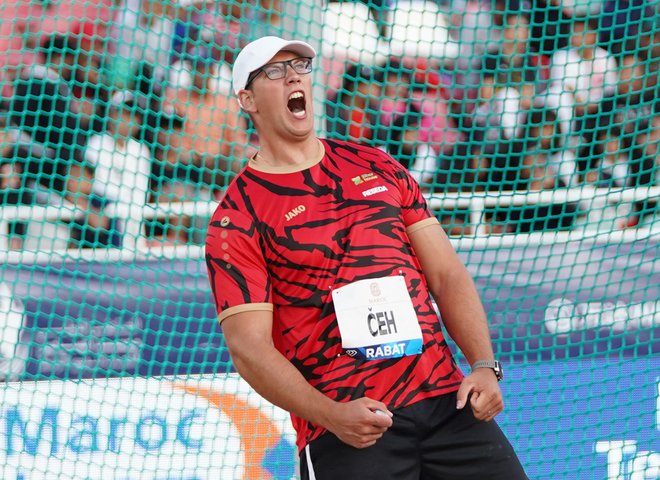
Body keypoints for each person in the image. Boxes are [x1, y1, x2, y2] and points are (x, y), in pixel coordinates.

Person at [205, 36, 528, 479]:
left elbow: (447, 274)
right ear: (247, 98)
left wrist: (483, 365)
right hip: (350, 424)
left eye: (298, 65)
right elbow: (248, 348)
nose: (294, 75)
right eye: (274, 72)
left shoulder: (375, 163)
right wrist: (330, 415)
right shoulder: (237, 216)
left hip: (446, 400)